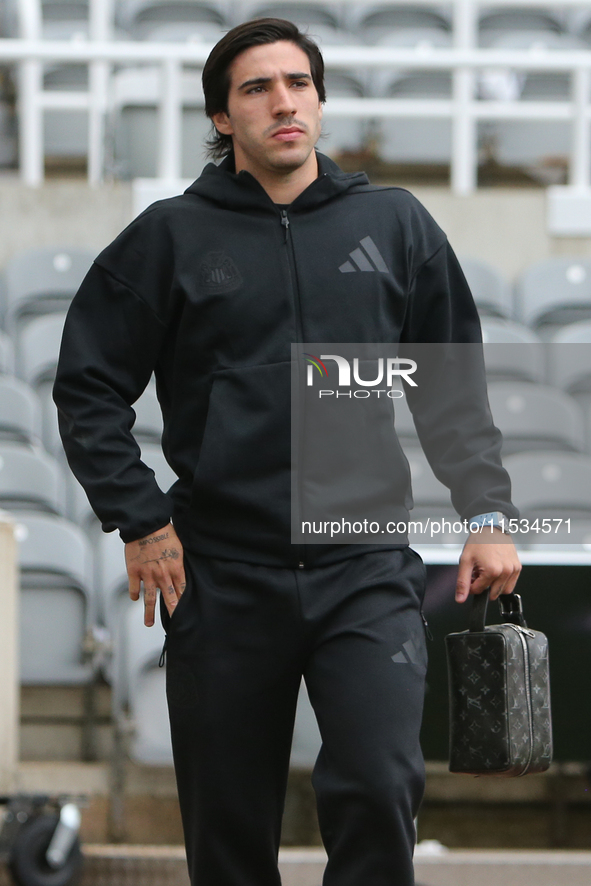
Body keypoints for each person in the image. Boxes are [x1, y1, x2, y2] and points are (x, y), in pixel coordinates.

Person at [53, 18, 521, 886]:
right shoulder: (169, 237)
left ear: (319, 98)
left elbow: (450, 388)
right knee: (228, 833)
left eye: (298, 83)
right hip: (223, 576)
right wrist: (141, 518)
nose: (283, 102)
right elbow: (87, 386)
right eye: (257, 88)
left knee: (379, 786)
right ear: (223, 117)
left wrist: (486, 511)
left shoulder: (395, 223)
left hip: (364, 569)